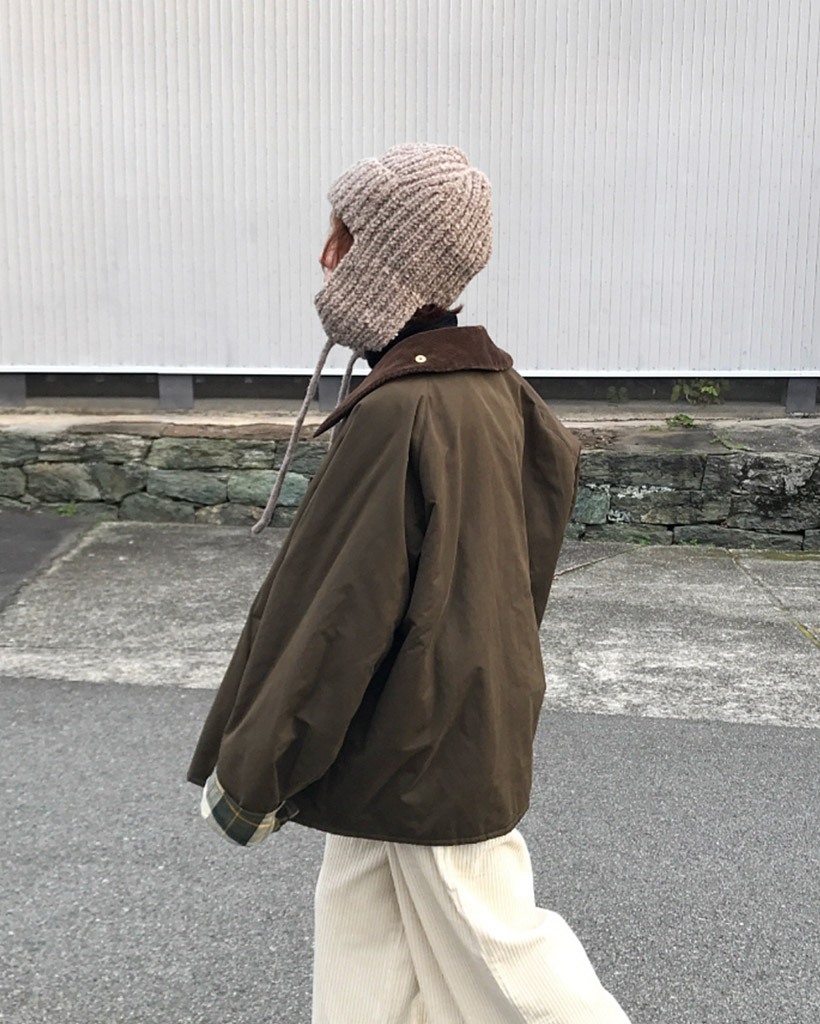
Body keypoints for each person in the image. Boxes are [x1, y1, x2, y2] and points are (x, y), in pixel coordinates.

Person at [187, 142, 632, 1024]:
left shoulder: (402, 411)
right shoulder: (496, 390)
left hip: (425, 741)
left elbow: (333, 615)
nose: (326, 256)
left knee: (504, 953)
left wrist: (254, 773)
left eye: (345, 235)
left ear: (393, 259)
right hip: (424, 720)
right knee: (367, 946)